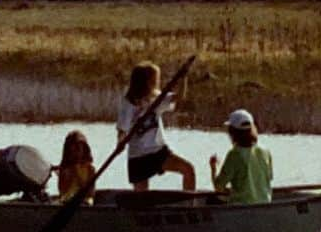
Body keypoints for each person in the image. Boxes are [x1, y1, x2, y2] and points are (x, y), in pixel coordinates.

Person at [116, 61, 196, 191]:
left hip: (158, 151)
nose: (157, 82)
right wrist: (120, 142)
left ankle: (189, 207)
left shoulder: (156, 98)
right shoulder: (129, 103)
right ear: (146, 81)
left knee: (188, 169)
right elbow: (122, 130)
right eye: (155, 79)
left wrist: (183, 78)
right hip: (138, 156)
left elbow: (179, 98)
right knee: (141, 196)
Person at [209, 108, 273, 203]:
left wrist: (213, 168)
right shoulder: (265, 151)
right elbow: (269, 177)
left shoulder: (234, 155)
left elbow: (218, 187)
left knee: (211, 200)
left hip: (241, 205)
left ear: (232, 132)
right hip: (265, 203)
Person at [56, 129, 96, 204]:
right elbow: (62, 190)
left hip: (85, 201)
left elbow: (91, 193)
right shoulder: (65, 169)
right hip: (67, 200)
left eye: (79, 149)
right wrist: (69, 173)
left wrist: (77, 172)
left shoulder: (90, 169)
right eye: (72, 150)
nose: (76, 153)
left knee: (88, 201)